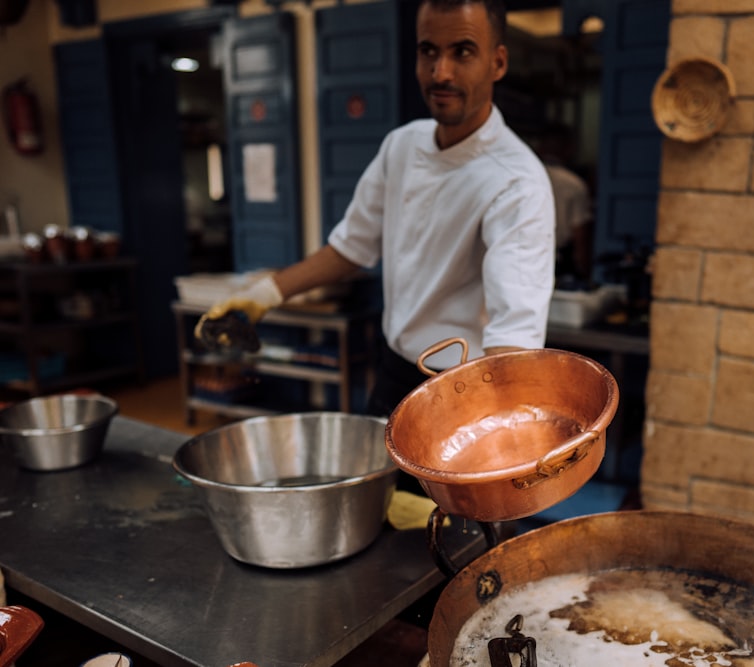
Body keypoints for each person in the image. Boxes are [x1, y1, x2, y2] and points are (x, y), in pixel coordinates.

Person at [196, 0, 555, 419]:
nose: (441, 72)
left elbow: (512, 337)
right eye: (428, 51)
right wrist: (263, 294)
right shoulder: (401, 146)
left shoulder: (517, 182)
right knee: (379, 487)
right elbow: (351, 247)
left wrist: (501, 427)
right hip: (394, 374)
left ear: (497, 62)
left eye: (462, 52)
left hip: (468, 393)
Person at [537, 123, 594, 283]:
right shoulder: (574, 184)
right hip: (558, 263)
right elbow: (580, 236)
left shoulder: (523, 178)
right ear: (569, 149)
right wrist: (585, 274)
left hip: (525, 259)